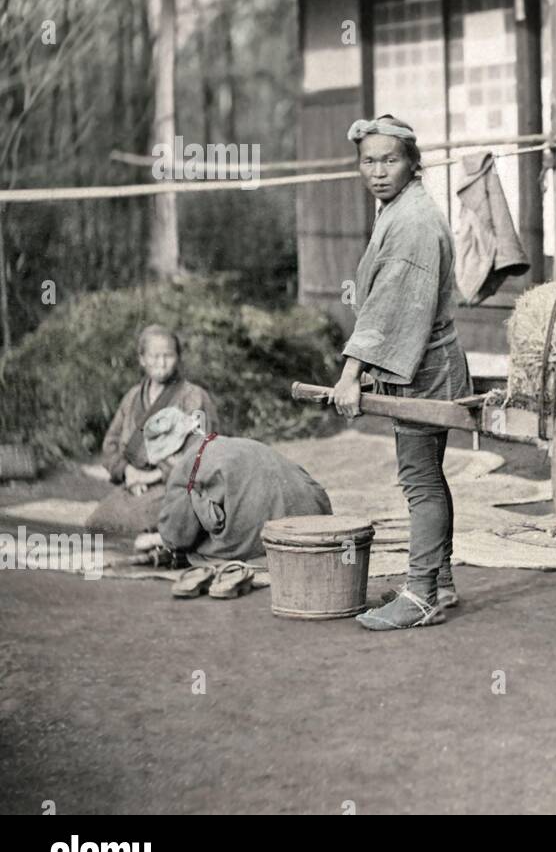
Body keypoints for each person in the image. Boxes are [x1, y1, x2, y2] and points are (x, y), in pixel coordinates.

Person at [332, 114, 471, 630]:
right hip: (426, 357)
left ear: (414, 164)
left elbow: (389, 309)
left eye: (390, 160)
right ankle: (443, 581)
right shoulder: (399, 209)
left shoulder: (412, 220)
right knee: (429, 477)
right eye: (368, 161)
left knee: (420, 482)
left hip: (425, 365)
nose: (378, 171)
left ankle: (421, 595)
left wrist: (352, 374)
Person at [141, 407, 333, 598]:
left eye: (160, 465)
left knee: (201, 554)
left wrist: (154, 540)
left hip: (285, 536)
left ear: (170, 455)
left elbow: (177, 536)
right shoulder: (231, 444)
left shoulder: (185, 466)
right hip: (320, 520)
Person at [88, 325, 219, 535]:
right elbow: (110, 444)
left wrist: (151, 477)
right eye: (154, 356)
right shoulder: (132, 398)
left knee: (140, 526)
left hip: (175, 487)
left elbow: (200, 455)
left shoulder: (194, 397)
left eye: (168, 356)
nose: (161, 363)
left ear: (178, 358)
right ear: (142, 360)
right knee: (98, 521)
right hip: (134, 484)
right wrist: (128, 473)